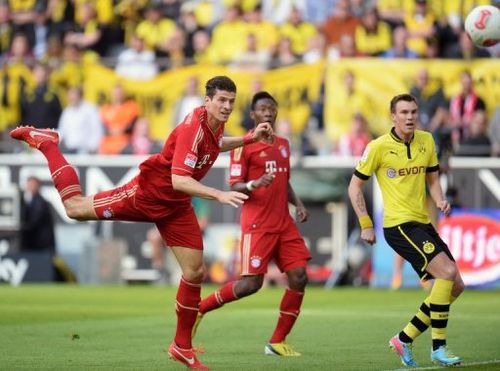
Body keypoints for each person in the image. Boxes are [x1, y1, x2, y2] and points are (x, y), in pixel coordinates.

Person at [10, 76, 273, 371]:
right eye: (221, 101)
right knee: (74, 208)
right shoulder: (192, 129)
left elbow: (216, 146)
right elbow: (179, 179)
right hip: (147, 194)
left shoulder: (215, 125)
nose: (226, 106)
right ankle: (48, 145)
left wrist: (248, 138)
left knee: (194, 271)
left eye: (231, 102)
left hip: (174, 206)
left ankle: (181, 347)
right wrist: (219, 194)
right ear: (207, 101)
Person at [347, 94, 464, 367]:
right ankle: (439, 347)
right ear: (393, 116)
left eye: (413, 111)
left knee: (456, 285)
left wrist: (439, 200)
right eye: (403, 112)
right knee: (446, 273)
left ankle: (404, 338)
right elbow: (354, 186)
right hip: (398, 226)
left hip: (422, 222)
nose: (410, 117)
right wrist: (366, 224)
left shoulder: (426, 140)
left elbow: (432, 178)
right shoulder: (377, 147)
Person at [193, 91, 311, 357]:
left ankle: (277, 342)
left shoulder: (283, 144)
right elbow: (234, 185)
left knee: (299, 276)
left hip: (284, 223)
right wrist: (253, 184)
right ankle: (201, 308)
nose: (268, 112)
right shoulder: (243, 145)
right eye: (262, 109)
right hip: (258, 224)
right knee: (250, 285)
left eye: (272, 107)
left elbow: (284, 179)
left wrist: (298, 204)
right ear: (253, 115)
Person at [20, 176, 56, 254]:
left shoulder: (40, 202)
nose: (29, 187)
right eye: (29, 184)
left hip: (41, 246)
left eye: (32, 184)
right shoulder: (31, 201)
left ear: (38, 186)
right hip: (37, 245)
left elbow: (34, 222)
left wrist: (21, 229)